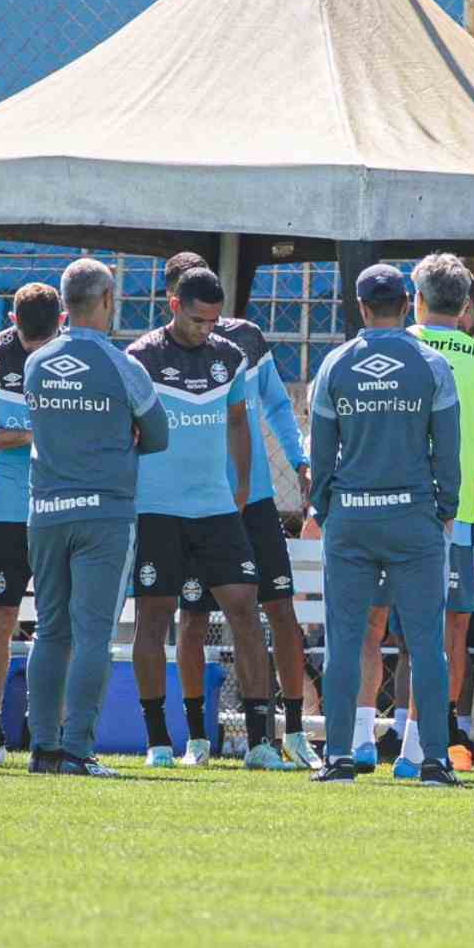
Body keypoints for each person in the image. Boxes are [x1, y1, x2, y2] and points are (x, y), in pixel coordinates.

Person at [158, 252, 320, 771]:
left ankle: (292, 732)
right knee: (192, 617)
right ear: (172, 298)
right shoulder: (156, 354)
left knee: (279, 609)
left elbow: (274, 403)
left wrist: (300, 460)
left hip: (251, 503)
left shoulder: (245, 341)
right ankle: (195, 740)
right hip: (191, 506)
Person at [308, 264, 463, 786]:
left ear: (360, 305)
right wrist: (445, 506)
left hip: (352, 515)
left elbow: (321, 452)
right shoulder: (430, 363)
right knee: (425, 642)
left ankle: (339, 757)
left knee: (346, 640)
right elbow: (448, 446)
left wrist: (326, 507)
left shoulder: (335, 365)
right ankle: (435, 761)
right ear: (408, 301)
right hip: (414, 515)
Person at [126, 267, 282, 769]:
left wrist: (239, 486)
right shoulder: (140, 358)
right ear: (173, 304)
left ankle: (261, 742)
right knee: (155, 619)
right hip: (158, 509)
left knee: (245, 612)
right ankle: (157, 743)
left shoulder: (230, 356)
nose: (206, 330)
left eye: (213, 321)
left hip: (216, 509)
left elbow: (239, 420)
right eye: (197, 320)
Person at [21, 261, 169, 776]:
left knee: (49, 631)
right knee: (92, 635)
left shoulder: (37, 361)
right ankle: (79, 750)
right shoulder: (123, 364)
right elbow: (158, 435)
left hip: (45, 511)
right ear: (107, 299)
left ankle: (42, 748)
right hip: (104, 513)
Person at [373, 254, 474, 779]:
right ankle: (422, 745)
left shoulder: (391, 347)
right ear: (470, 306)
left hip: (382, 506)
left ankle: (360, 739)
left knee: (374, 624)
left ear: (417, 298)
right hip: (451, 516)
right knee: (444, 633)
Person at [0, 282, 50, 768]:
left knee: (59, 625)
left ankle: (50, 734)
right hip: (5, 513)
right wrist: (37, 433)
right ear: (12, 323)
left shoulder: (70, 359)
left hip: (60, 511)